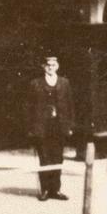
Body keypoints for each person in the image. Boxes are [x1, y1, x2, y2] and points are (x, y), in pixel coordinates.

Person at [27, 54, 74, 201]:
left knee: (58, 158)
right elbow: (28, 107)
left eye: (53, 65)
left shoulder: (64, 83)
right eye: (48, 65)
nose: (50, 68)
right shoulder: (35, 84)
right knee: (45, 158)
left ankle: (56, 190)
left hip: (58, 126)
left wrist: (69, 125)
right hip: (43, 126)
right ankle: (45, 190)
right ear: (43, 67)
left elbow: (70, 106)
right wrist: (32, 128)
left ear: (57, 66)